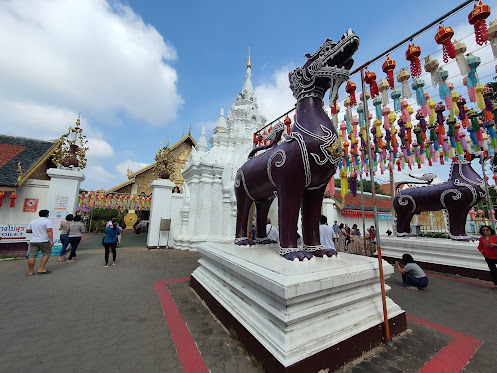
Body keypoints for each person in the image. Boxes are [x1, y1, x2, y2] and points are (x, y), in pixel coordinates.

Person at [26, 209, 54, 275]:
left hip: (33, 240)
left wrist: (35, 232)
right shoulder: (48, 221)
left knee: (32, 256)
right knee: (46, 253)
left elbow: (27, 230)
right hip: (44, 240)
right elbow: (49, 230)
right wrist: (51, 240)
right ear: (47, 215)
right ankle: (41, 268)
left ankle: (31, 271)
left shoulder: (33, 221)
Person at [477, 225, 497, 289]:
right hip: (488, 257)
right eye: (484, 230)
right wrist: (483, 252)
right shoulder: (482, 239)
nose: (485, 231)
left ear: (490, 230)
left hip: (496, 256)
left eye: (487, 230)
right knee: (493, 271)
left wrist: (494, 245)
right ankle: (496, 284)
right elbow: (480, 247)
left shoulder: (495, 237)